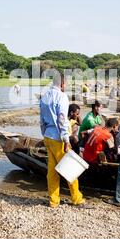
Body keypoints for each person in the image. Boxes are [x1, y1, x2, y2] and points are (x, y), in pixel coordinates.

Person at [40, 74, 85, 208]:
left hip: (48, 136)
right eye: (66, 84)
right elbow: (62, 119)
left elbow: (41, 119)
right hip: (59, 138)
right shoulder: (61, 96)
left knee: (52, 172)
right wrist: (66, 139)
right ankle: (77, 199)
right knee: (70, 169)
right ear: (62, 84)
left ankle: (54, 201)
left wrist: (44, 134)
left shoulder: (44, 96)